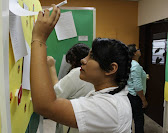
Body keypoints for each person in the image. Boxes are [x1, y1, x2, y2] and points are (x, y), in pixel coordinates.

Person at [30, 5, 132, 133]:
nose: (83, 60)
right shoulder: (108, 96)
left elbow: (45, 106)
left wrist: (39, 38)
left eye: (92, 57)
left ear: (111, 69)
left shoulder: (109, 107)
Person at [47, 43, 94, 133]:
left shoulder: (77, 72)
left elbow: (56, 94)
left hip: (72, 123)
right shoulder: (92, 73)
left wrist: (51, 67)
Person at [127, 44, 148, 133]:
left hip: (129, 94)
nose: (140, 50)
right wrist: (143, 100)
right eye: (138, 49)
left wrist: (144, 77)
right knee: (139, 120)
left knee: (129, 119)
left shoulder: (129, 64)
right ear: (135, 53)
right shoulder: (135, 66)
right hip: (135, 96)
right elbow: (138, 86)